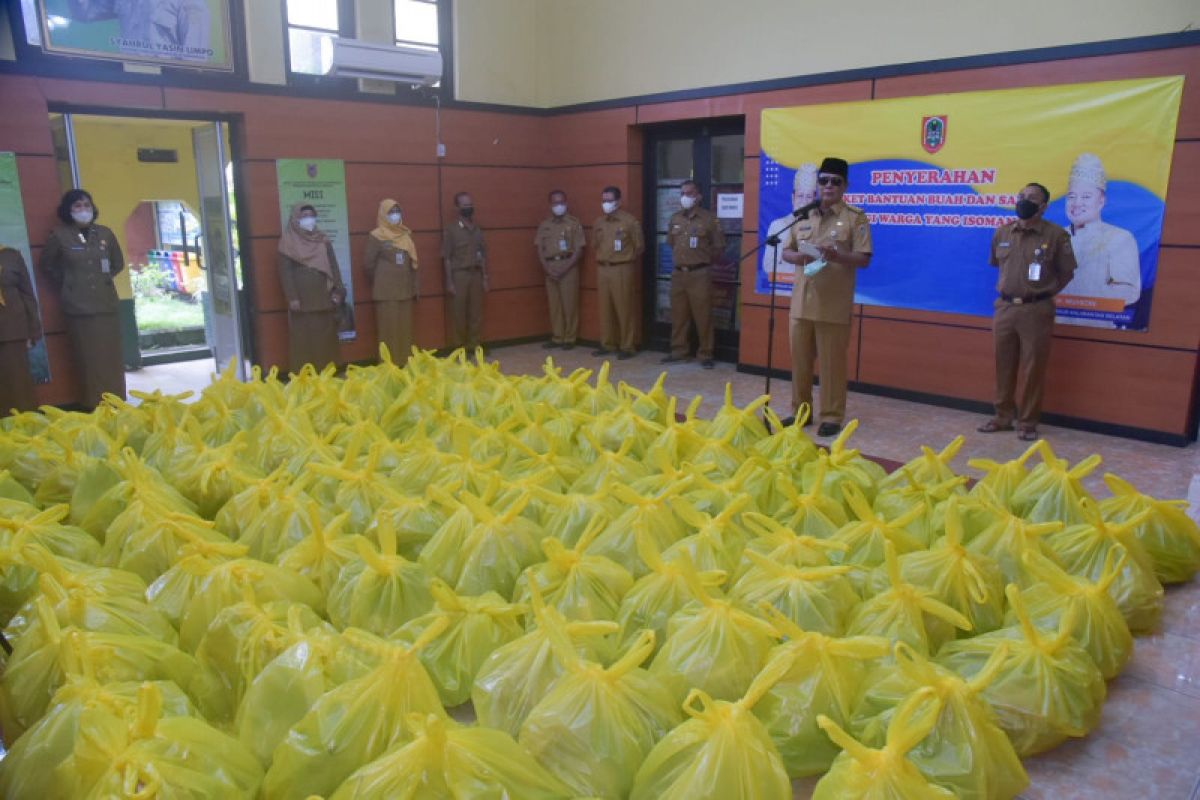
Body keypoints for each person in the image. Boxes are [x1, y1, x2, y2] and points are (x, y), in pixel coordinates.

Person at [780, 157, 872, 438]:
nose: (829, 186)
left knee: (832, 365)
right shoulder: (802, 215)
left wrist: (837, 255)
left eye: (835, 181)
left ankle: (831, 416)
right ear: (818, 184)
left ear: (845, 186)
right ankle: (801, 412)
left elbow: (864, 258)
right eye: (824, 180)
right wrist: (800, 255)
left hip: (833, 306)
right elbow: (786, 251)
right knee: (800, 363)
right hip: (800, 304)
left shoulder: (855, 218)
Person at [978, 183, 1077, 441]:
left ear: (1043, 206)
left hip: (1037, 309)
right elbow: (996, 265)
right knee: (1003, 364)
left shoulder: (1056, 236)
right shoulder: (1002, 233)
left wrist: (1045, 291)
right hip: (1005, 307)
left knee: (1034, 367)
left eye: (1031, 198)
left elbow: (1067, 272)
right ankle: (1002, 417)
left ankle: (1028, 422)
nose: (1024, 200)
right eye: (1021, 196)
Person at [40, 189, 126, 410]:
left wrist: (101, 280)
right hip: (78, 307)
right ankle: (93, 404)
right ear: (68, 211)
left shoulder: (105, 234)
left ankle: (117, 402)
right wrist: (70, 282)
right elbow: (47, 265)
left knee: (110, 357)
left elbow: (117, 263)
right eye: (77, 206)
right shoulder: (59, 235)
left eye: (86, 205)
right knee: (88, 359)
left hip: (105, 304)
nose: (83, 210)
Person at [1058, 153, 1141, 328]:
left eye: (1086, 197)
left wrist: (1078, 295)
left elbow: (1129, 292)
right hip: (1052, 324)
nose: (1077, 203)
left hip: (1097, 327)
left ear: (1101, 201)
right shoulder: (1055, 237)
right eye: (1071, 197)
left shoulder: (1120, 238)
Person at [663, 180, 725, 369]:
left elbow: (719, 246)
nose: (685, 197)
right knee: (678, 314)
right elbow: (671, 242)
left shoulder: (709, 219)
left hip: (700, 273)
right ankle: (679, 350)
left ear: (699, 196)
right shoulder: (675, 218)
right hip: (679, 273)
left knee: (703, 315)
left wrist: (701, 259)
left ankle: (705, 353)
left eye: (689, 193)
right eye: (682, 193)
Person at [278, 203, 346, 373]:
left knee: (325, 337)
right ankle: (305, 375)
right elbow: (285, 273)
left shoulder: (323, 239)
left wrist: (338, 291)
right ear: (295, 219)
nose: (309, 219)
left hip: (324, 296)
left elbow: (333, 266)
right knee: (304, 338)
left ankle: (328, 371)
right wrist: (292, 297)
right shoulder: (287, 242)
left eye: (311, 215)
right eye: (304, 216)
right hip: (302, 301)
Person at [364, 198, 419, 366]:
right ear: (383, 214)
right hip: (386, 291)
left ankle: (404, 362)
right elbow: (368, 265)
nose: (395, 215)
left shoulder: (405, 235)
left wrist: (415, 286)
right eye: (391, 212)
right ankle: (388, 365)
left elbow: (412, 264)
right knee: (388, 330)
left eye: (397, 211)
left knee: (404, 329)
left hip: (404, 290)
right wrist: (383, 279)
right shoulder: (376, 236)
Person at [590, 186, 643, 360]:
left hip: (622, 268)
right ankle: (608, 344)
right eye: (603, 200)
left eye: (609, 200)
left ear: (618, 202)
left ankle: (627, 346)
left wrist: (625, 259)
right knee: (605, 308)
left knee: (624, 308)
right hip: (603, 268)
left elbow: (639, 247)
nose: (606, 203)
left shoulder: (629, 222)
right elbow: (595, 244)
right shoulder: (599, 222)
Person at [535, 190, 585, 350]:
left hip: (568, 266)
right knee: (554, 304)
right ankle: (557, 337)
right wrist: (547, 268)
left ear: (566, 203)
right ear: (550, 205)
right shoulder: (545, 225)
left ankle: (570, 338)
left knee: (569, 304)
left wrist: (566, 267)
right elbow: (540, 250)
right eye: (556, 203)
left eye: (562, 202)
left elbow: (579, 249)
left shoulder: (574, 223)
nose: (559, 206)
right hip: (550, 267)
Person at [67, 0, 211, 53]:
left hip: (166, 87)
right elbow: (85, 13)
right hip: (129, 81)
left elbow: (195, 59)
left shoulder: (191, 3)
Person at [442, 192, 489, 352]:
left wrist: (485, 277)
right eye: (464, 205)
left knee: (476, 313)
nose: (468, 207)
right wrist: (449, 282)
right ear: (457, 207)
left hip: (476, 273)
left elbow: (482, 254)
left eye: (470, 204)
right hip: (459, 275)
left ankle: (474, 345)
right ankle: (459, 347)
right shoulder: (451, 230)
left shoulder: (477, 229)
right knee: (458, 313)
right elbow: (446, 258)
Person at [0, 245, 43, 415]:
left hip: (13, 327)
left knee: (18, 383)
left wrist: (33, 328)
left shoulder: (10, 255)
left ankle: (24, 426)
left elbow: (27, 294)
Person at [762, 163, 819, 287]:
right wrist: (799, 265)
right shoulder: (778, 225)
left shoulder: (821, 225)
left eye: (808, 196)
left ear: (814, 200)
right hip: (781, 288)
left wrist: (787, 263)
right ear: (793, 198)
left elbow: (821, 263)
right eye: (800, 196)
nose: (803, 201)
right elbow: (768, 265)